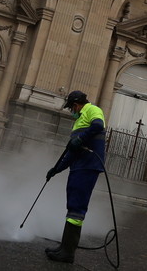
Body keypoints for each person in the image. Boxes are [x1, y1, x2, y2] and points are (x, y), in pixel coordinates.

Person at [44, 90, 106, 264]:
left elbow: (98, 126)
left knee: (77, 209)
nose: (71, 110)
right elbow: (72, 152)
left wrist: (81, 139)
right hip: (78, 167)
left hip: (88, 166)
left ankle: (68, 253)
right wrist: (56, 169)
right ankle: (64, 248)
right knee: (72, 206)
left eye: (71, 107)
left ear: (77, 104)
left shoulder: (93, 110)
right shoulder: (78, 121)